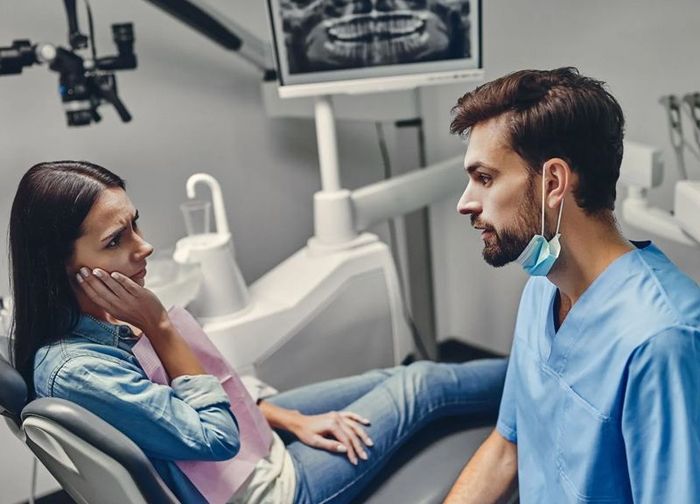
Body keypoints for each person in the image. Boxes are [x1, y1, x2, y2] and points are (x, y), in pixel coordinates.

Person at [8, 160, 507, 504]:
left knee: (411, 373)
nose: (145, 248)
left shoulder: (102, 317)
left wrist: (288, 419)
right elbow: (216, 435)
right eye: (116, 241)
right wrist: (160, 326)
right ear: (60, 265)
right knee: (420, 386)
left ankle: (545, 372)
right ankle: (553, 374)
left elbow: (207, 392)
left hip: (258, 442)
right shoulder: (81, 371)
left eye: (135, 225)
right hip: (263, 490)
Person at [443, 67, 700, 504]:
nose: (465, 202)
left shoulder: (661, 341)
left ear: (554, 182)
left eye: (485, 178)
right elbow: (507, 449)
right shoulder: (543, 286)